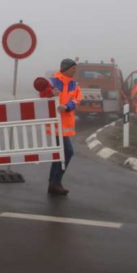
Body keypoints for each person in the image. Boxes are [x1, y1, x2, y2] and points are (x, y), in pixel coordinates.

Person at [47, 58, 82, 196]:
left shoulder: (74, 84)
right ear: (66, 68)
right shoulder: (53, 81)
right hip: (56, 124)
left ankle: (53, 183)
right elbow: (43, 95)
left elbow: (77, 100)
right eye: (73, 68)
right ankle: (55, 182)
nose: (75, 71)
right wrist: (50, 93)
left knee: (60, 154)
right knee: (67, 152)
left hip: (66, 124)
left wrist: (67, 106)